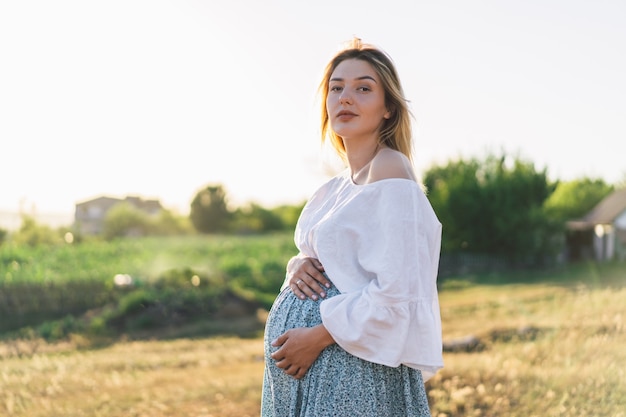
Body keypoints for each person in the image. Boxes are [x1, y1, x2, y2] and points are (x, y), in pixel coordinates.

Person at [261, 38, 443, 417]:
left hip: (350, 370)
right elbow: (339, 261)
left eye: (363, 88)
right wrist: (297, 264)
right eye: (336, 88)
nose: (346, 97)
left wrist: (316, 338)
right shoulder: (334, 187)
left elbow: (399, 290)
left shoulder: (391, 168)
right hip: (317, 372)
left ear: (388, 108)